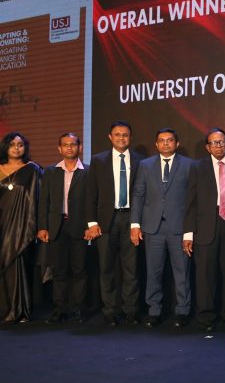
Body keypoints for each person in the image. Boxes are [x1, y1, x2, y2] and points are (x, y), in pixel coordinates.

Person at [183, 128, 225, 332]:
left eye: (221, 142)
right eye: (214, 143)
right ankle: (206, 317)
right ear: (207, 147)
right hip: (205, 225)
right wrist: (188, 233)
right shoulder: (197, 167)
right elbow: (190, 202)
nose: (218, 146)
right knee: (205, 275)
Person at [130, 128, 193, 328]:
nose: (166, 143)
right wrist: (135, 224)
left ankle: (182, 312)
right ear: (156, 144)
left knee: (182, 272)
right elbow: (138, 194)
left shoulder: (189, 165)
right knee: (153, 272)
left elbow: (193, 200)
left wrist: (189, 231)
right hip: (152, 228)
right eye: (162, 140)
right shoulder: (146, 165)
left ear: (177, 143)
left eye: (170, 140)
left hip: (179, 228)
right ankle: (154, 311)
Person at [85, 121, 144, 326]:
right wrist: (92, 222)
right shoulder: (98, 160)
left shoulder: (140, 161)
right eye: (117, 135)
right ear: (110, 137)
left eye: (125, 135)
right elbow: (91, 193)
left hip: (131, 219)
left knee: (131, 269)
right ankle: (110, 311)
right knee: (106, 268)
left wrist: (138, 222)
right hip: (105, 221)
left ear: (131, 137)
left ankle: (131, 311)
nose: (121, 138)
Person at [37, 133, 89, 324]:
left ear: (80, 147)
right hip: (56, 226)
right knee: (59, 271)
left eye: (73, 144)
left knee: (79, 270)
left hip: (79, 227)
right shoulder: (50, 172)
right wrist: (42, 226)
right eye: (65, 145)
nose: (69, 147)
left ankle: (78, 310)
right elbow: (44, 202)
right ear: (59, 148)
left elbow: (91, 202)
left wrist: (90, 225)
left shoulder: (88, 171)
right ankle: (59, 310)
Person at [0, 132, 42, 323]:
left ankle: (21, 310)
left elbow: (39, 199)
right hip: (2, 225)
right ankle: (4, 309)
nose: (16, 148)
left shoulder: (32, 170)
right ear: (5, 147)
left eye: (20, 145)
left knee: (19, 265)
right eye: (12, 144)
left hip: (22, 227)